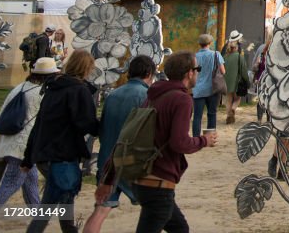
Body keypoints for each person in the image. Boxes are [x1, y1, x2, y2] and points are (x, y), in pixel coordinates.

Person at [96, 50, 218, 233]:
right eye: (197, 68)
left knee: (180, 229)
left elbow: (125, 138)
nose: (198, 72)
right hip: (158, 184)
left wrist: (108, 179)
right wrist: (203, 141)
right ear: (189, 72)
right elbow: (179, 142)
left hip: (143, 180)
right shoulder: (182, 99)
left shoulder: (153, 95)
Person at [23, 49, 100, 233]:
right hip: (62, 155)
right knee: (48, 209)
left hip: (45, 155)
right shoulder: (78, 90)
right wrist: (105, 126)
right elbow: (86, 124)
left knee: (65, 204)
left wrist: (28, 158)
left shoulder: (53, 88)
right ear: (87, 68)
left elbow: (38, 125)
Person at [84, 55, 157, 233]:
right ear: (149, 73)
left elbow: (103, 127)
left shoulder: (113, 95)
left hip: (108, 161)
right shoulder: (146, 96)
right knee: (156, 210)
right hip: (132, 164)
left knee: (100, 210)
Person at [0, 57, 57, 223]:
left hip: (9, 142)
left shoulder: (20, 87)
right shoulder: (43, 94)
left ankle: (40, 217)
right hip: (23, 146)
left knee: (31, 180)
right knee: (11, 183)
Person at [191, 33, 225, 137]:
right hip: (212, 89)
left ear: (199, 44)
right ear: (210, 43)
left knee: (197, 116)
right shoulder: (216, 54)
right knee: (212, 114)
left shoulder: (194, 57)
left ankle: (196, 138)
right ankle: (210, 138)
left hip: (198, 90)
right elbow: (223, 71)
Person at [223, 38, 248, 125]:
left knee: (228, 99)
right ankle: (233, 109)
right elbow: (244, 71)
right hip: (237, 82)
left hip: (226, 82)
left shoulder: (225, 57)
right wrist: (247, 82)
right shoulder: (239, 57)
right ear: (236, 48)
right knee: (237, 99)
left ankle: (229, 115)